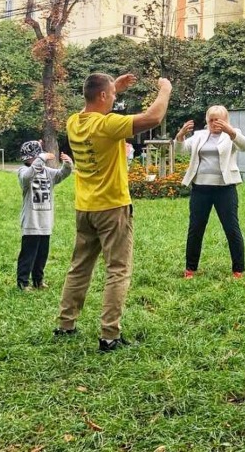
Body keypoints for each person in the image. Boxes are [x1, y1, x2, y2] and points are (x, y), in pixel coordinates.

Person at [55, 73, 172, 353]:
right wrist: (165, 89)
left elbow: (95, 104)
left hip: (85, 208)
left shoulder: (74, 122)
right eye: (113, 96)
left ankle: (65, 323)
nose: (116, 99)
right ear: (103, 97)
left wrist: (113, 88)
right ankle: (109, 335)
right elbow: (153, 117)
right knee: (117, 270)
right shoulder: (107, 125)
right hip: (112, 207)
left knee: (79, 267)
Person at [176, 106, 245, 279]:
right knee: (195, 229)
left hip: (225, 188)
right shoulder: (199, 135)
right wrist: (180, 135)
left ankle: (238, 269)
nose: (214, 123)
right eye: (211, 120)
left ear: (225, 120)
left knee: (231, 228)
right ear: (207, 120)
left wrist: (230, 131)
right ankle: (190, 269)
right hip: (200, 188)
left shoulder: (232, 134)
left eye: (218, 120)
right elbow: (181, 150)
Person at [16, 140, 72, 291]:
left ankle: (38, 281)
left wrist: (67, 164)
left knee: (42, 256)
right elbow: (27, 177)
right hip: (31, 222)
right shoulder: (23, 172)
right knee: (28, 255)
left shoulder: (48, 172)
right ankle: (23, 282)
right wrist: (41, 158)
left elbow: (62, 175)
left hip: (45, 222)